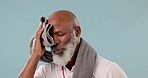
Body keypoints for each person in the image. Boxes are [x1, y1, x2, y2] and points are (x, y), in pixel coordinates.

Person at [18, 10, 128, 78]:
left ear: (77, 32)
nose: (55, 41)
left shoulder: (109, 70)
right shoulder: (46, 71)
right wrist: (35, 56)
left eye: (60, 34)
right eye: (50, 37)